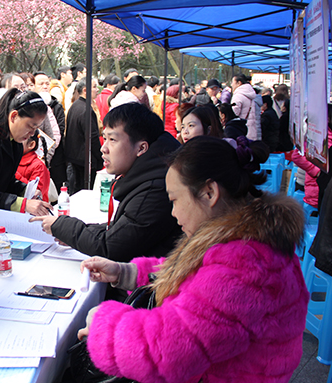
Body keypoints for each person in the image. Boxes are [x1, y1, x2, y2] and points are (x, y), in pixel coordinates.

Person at [78, 135, 308, 383]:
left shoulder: (245, 264)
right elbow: (200, 283)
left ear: (209, 192)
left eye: (175, 200)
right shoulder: (244, 241)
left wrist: (103, 326)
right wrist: (125, 272)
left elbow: (167, 351)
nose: (174, 213)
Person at [32, 103, 181, 263]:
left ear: (141, 148)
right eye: (105, 138)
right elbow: (120, 229)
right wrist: (69, 233)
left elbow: (112, 246)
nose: (104, 148)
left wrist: (62, 227)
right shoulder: (151, 174)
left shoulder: (156, 188)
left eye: (112, 140)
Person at [65, 77, 103, 193]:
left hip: (75, 158)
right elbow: (92, 137)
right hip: (85, 160)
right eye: (95, 87)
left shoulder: (75, 105)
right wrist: (99, 156)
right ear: (85, 90)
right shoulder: (85, 109)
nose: (97, 90)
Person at [15, 131, 51, 202]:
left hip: (33, 210)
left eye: (19, 140)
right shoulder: (13, 160)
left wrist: (14, 174)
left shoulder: (38, 166)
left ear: (31, 144)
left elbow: (35, 193)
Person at [231, 73, 260, 141]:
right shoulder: (251, 94)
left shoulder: (238, 95)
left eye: (233, 82)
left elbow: (234, 113)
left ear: (239, 83)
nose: (231, 84)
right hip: (252, 129)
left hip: (240, 129)